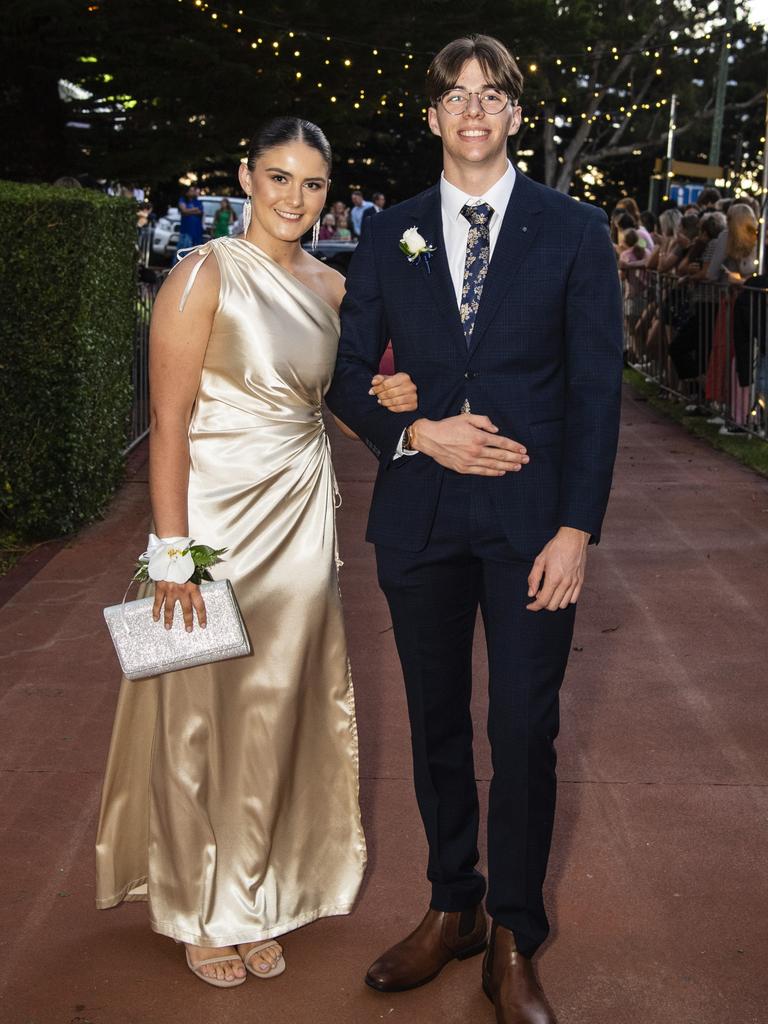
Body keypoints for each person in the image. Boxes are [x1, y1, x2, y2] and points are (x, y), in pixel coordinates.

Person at [325, 33, 623, 1024]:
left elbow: (595, 388)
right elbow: (347, 366)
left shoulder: (574, 229)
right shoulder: (391, 229)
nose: (474, 111)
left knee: (523, 727)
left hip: (534, 524)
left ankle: (513, 932)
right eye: (455, 96)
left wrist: (579, 526)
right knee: (438, 722)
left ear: (516, 116)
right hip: (420, 516)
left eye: (493, 95)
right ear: (432, 117)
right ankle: (452, 905)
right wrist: (415, 430)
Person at [95, 116, 418, 989]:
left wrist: (391, 393)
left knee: (282, 710)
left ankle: (261, 893)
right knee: (201, 713)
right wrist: (173, 553)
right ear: (246, 176)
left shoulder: (333, 285)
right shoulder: (201, 275)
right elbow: (168, 424)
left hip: (302, 522)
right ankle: (201, 907)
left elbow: (345, 400)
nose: (294, 199)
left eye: (312, 184)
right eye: (278, 178)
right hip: (212, 523)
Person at [175, 185, 204, 263]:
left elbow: (200, 212)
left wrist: (188, 211)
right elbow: (183, 210)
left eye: (193, 190)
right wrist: (194, 210)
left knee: (194, 253)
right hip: (186, 230)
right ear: (186, 192)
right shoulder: (182, 200)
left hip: (196, 231)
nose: (193, 192)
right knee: (183, 252)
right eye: (191, 190)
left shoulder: (198, 201)